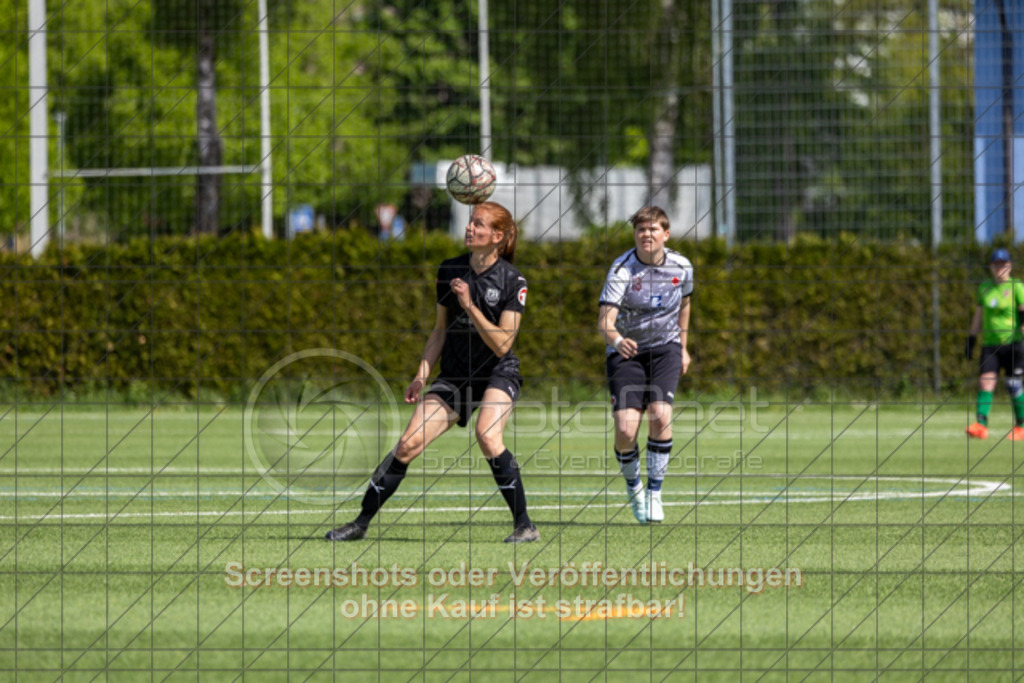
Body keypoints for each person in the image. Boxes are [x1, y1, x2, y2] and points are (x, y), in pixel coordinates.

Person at [326, 201, 538, 542]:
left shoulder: (513, 280)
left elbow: (503, 345)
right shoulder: (449, 269)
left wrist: (469, 304)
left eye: (479, 224)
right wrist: (421, 375)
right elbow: (439, 330)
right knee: (408, 444)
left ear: (497, 236)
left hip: (498, 373)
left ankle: (524, 525)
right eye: (471, 222)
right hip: (455, 376)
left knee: (487, 436)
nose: (470, 228)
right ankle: (360, 523)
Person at [598, 206, 693, 524]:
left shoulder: (682, 266)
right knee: (626, 429)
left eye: (653, 230)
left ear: (665, 234)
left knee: (661, 415)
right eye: (641, 230)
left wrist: (684, 345)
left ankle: (654, 493)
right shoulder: (621, 270)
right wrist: (616, 340)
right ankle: (634, 486)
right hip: (627, 352)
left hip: (666, 349)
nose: (646, 235)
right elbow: (605, 322)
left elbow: (686, 302)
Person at [965, 248, 1024, 440]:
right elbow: (978, 315)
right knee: (985, 381)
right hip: (990, 345)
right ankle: (981, 425)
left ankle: (1021, 426)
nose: (1000, 268)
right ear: (991, 267)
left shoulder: (1017, 287)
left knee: (1013, 384)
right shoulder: (985, 287)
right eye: (996, 264)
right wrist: (971, 338)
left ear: (1010, 266)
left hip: (1013, 343)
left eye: (1003, 264)